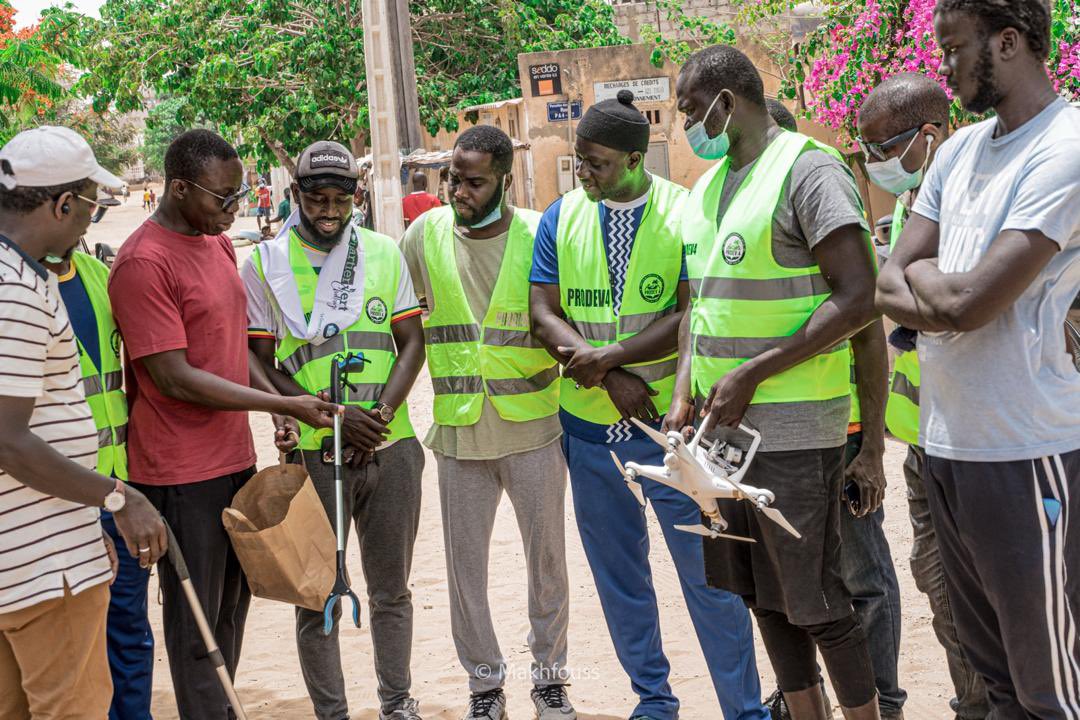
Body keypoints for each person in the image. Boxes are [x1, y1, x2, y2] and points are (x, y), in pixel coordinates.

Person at [530, 91, 768, 720]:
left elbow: (693, 311)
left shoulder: (685, 212)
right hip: (587, 430)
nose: (584, 173)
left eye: (597, 163)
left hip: (672, 428)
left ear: (637, 159)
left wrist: (610, 358)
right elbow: (542, 312)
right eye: (581, 161)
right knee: (620, 578)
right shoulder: (560, 217)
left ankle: (743, 708)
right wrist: (608, 375)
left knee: (709, 576)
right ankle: (654, 700)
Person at [876, 0, 1080, 714]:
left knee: (1048, 688)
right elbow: (888, 281)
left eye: (956, 47)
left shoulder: (1066, 146)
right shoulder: (960, 152)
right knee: (992, 681)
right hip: (947, 447)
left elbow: (969, 304)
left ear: (1010, 42)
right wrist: (947, 287)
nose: (946, 65)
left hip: (1028, 447)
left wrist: (937, 288)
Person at [673, 45, 881, 720]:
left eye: (687, 110)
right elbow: (697, 308)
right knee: (762, 597)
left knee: (816, 601)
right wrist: (683, 394)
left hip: (794, 429)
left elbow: (858, 300)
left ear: (725, 103)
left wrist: (753, 373)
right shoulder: (708, 188)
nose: (683, 126)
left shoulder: (807, 171)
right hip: (719, 438)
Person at [108, 129, 338, 720]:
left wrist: (271, 407)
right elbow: (174, 376)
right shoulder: (142, 261)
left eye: (239, 196)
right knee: (197, 629)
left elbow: (231, 345)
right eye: (222, 198)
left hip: (233, 460)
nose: (233, 210)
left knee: (230, 616)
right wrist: (280, 406)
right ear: (180, 188)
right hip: (180, 471)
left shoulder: (215, 244)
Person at [243, 140, 427, 720]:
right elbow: (256, 360)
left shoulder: (383, 252)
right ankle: (333, 714)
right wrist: (309, 413)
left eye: (340, 199)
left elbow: (411, 345)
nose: (328, 211)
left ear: (356, 197)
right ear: (295, 195)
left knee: (391, 589)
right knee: (314, 594)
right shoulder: (264, 265)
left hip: (388, 445)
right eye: (316, 198)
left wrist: (379, 420)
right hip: (314, 454)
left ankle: (397, 704)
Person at [402, 125, 574, 720]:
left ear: (504, 179)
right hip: (458, 432)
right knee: (463, 573)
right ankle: (485, 688)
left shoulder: (538, 234)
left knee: (546, 564)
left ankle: (550, 679)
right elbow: (406, 329)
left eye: (474, 182)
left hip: (533, 427)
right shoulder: (422, 236)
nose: (458, 191)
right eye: (453, 178)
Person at [0, 126, 166, 718]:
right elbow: (9, 441)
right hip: (42, 575)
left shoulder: (27, 273)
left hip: (34, 550)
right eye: (89, 208)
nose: (87, 225)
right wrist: (118, 498)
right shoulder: (14, 291)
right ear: (62, 203)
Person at [764, 98, 903, 720]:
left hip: (839, 435)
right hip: (771, 442)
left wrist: (871, 448)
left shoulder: (820, 202)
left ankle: (884, 702)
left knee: (861, 579)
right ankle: (805, 698)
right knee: (787, 586)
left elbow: (870, 331)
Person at [856, 72, 989, 720]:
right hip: (927, 446)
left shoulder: (982, 202)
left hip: (988, 444)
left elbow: (962, 306)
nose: (875, 164)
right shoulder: (918, 207)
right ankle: (974, 707)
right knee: (943, 594)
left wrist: (923, 296)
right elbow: (890, 294)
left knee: (998, 602)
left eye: (884, 148)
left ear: (929, 137)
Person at [42, 243, 159, 720]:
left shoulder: (97, 275)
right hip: (53, 504)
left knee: (129, 630)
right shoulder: (16, 289)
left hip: (121, 495)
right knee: (72, 650)